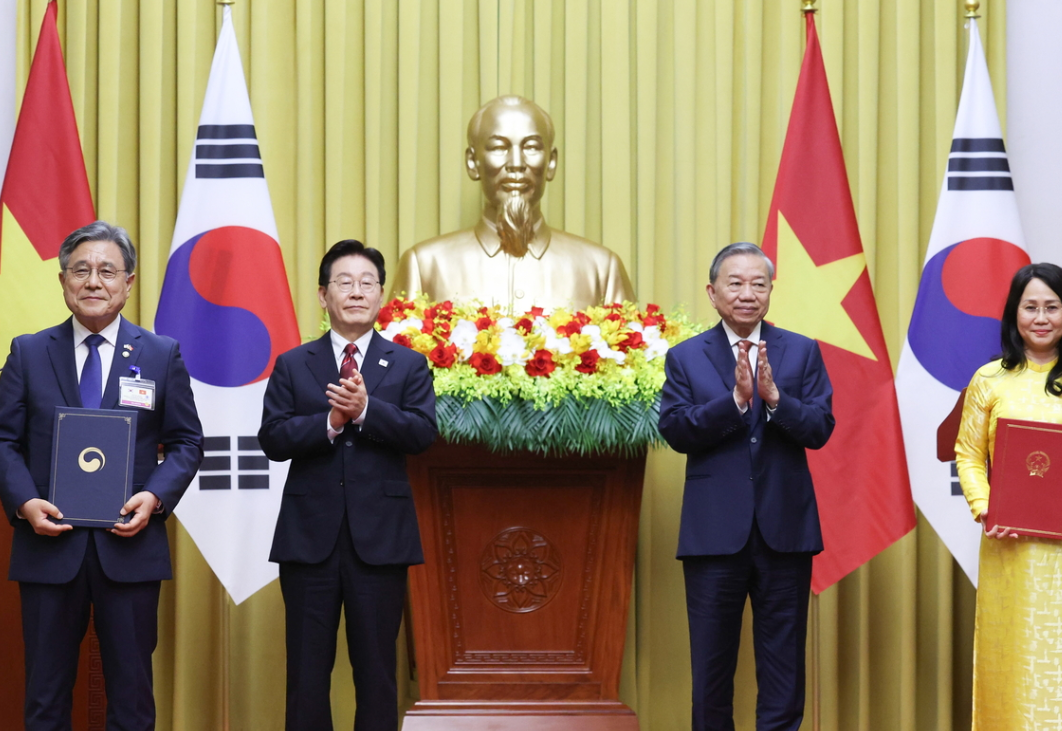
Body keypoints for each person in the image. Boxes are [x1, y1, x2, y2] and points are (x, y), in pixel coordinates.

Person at [0, 221, 203, 730]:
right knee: (45, 700)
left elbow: (186, 443)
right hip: (48, 547)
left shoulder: (160, 354)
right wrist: (24, 502)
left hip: (129, 550)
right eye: (81, 270)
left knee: (132, 701)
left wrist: (154, 497)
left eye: (107, 271)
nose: (93, 281)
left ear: (128, 283)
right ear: (63, 280)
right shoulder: (28, 352)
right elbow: (3, 440)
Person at [260, 239, 438, 731]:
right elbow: (273, 438)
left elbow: (422, 434)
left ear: (380, 295)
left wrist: (365, 412)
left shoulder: (408, 364)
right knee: (306, 676)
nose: (356, 292)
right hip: (308, 540)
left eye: (367, 283)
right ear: (323, 295)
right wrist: (330, 422)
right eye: (344, 282)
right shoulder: (294, 363)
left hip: (380, 542)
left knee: (378, 675)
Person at [658, 242, 834, 731]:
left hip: (785, 531)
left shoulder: (801, 350)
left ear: (771, 291)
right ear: (712, 292)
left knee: (783, 668)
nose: (747, 294)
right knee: (711, 668)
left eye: (759, 284)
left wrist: (775, 399)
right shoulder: (685, 357)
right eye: (735, 283)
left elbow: (820, 428)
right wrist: (735, 401)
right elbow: (675, 430)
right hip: (714, 534)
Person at [955, 262, 1062, 728]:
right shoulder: (989, 379)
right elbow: (968, 455)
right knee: (1015, 650)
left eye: (1053, 307)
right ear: (1015, 314)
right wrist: (985, 508)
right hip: (1009, 541)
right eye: (1031, 307)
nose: (1041, 318)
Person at [391, 95, 634, 312]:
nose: (516, 163)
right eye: (498, 147)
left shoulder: (601, 268)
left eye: (532, 147)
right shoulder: (425, 266)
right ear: (473, 162)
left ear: (551, 162)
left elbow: (629, 346)